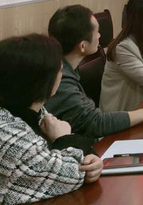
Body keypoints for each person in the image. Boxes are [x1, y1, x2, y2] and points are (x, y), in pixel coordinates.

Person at [47, 5, 143, 140]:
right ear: (82, 46)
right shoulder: (60, 80)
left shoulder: (64, 67)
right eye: (96, 32)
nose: (100, 36)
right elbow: (95, 123)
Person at [0, 34, 102, 204]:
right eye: (60, 70)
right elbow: (75, 173)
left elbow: (82, 160)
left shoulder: (32, 109)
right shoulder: (12, 136)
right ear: (42, 81)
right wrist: (64, 137)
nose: (61, 75)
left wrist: (92, 159)